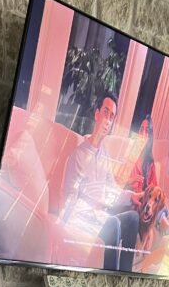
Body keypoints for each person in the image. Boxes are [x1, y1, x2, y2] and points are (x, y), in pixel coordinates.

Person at [59, 92, 142, 273]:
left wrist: (131, 195)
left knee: (132, 217)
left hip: (101, 217)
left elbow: (113, 190)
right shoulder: (79, 155)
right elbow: (68, 199)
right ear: (96, 114)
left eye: (112, 117)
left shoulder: (104, 155)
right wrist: (92, 211)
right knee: (113, 223)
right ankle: (110, 277)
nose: (108, 120)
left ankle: (124, 275)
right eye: (106, 112)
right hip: (83, 220)